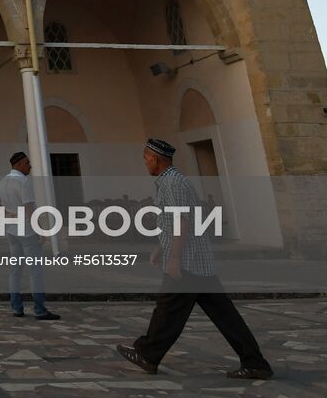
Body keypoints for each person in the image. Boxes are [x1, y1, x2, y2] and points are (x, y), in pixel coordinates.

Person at [116, 138, 273, 380]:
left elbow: (183, 222)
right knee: (225, 316)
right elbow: (173, 220)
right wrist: (161, 247)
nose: (145, 162)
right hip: (198, 263)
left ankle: (147, 354)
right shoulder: (169, 182)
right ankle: (255, 363)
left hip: (188, 261)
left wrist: (175, 257)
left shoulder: (174, 184)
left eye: (146, 157)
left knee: (167, 309)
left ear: (156, 159)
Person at [0, 150, 60, 320]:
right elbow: (29, 210)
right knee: (35, 270)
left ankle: (16, 308)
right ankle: (40, 309)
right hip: (27, 230)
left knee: (15, 270)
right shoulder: (23, 182)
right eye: (27, 163)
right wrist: (40, 231)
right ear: (19, 164)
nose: (30, 166)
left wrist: (5, 214)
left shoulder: (4, 181)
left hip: (12, 230)